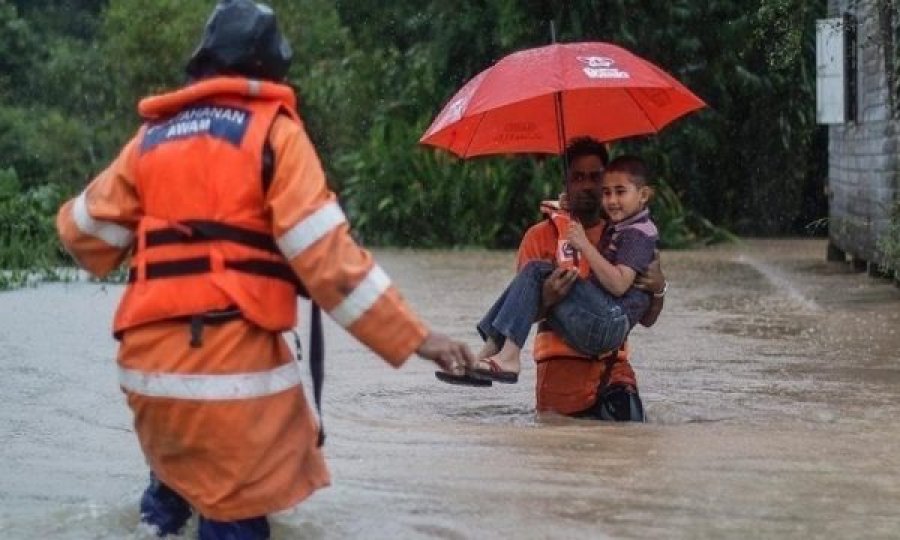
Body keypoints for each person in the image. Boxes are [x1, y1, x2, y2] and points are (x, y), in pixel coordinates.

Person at [55, 2, 474, 539]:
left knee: (173, 487)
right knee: (236, 511)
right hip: (231, 377)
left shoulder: (150, 140)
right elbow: (330, 265)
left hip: (147, 375)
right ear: (273, 68)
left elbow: (82, 235)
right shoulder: (274, 136)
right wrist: (420, 337)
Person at [440, 138, 666, 421]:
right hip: (558, 384)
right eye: (577, 177)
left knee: (623, 453)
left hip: (613, 375)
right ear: (566, 183)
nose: (587, 186)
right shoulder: (540, 236)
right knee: (555, 460)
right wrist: (547, 299)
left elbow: (646, 317)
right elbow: (521, 312)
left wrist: (659, 289)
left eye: (596, 178)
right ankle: (486, 358)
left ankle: (496, 356)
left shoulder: (622, 232)